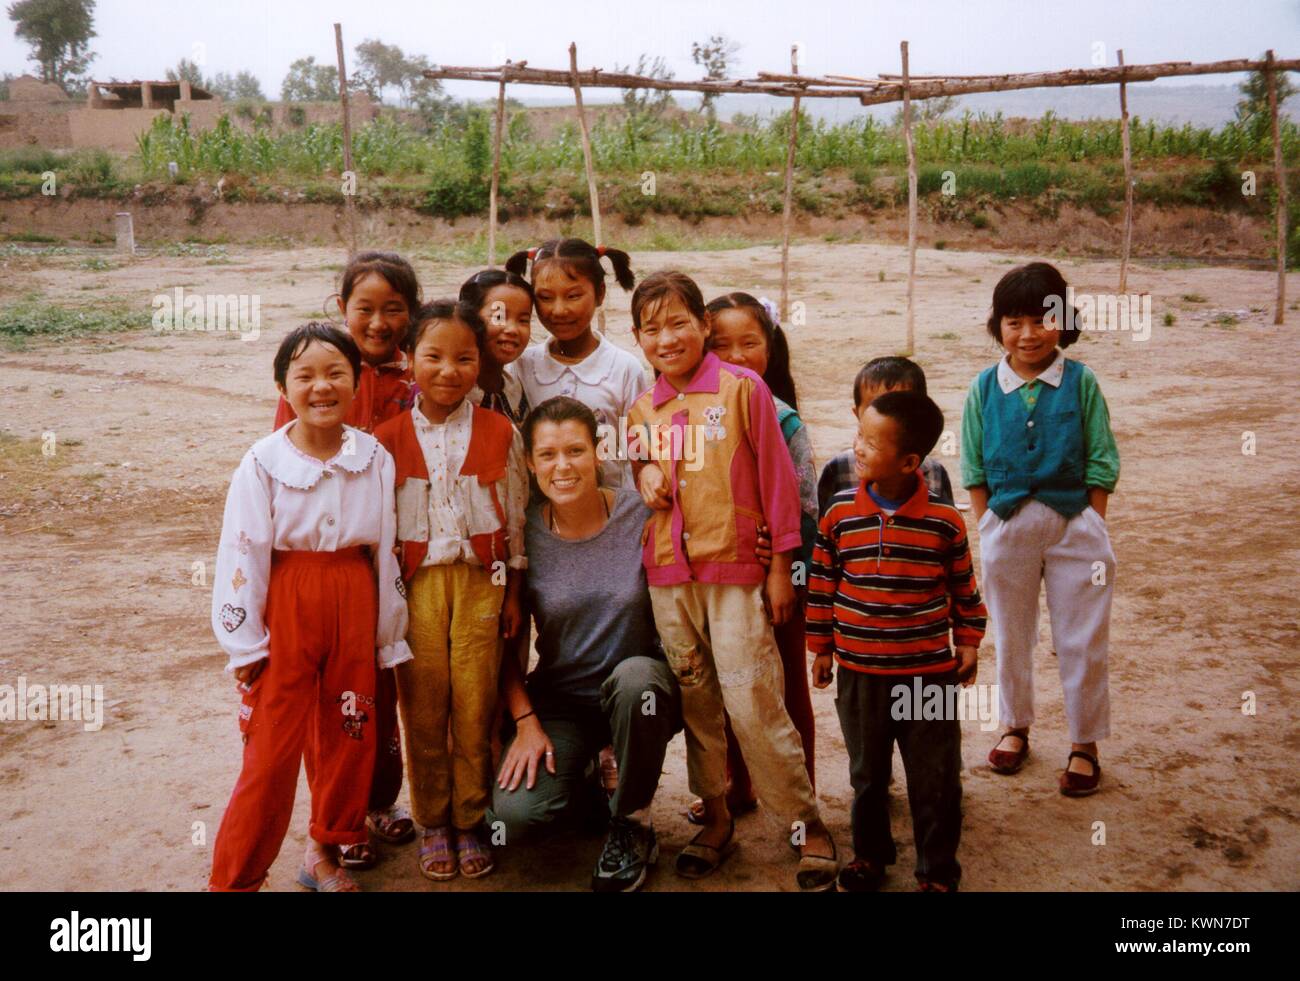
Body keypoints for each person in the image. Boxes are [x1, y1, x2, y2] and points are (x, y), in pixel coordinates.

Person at [628, 270, 838, 892]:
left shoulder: (745, 391)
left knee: (753, 699)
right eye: (650, 328)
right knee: (698, 700)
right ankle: (715, 816)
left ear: (701, 327)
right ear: (637, 338)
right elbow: (638, 463)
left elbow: (778, 485)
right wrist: (642, 471)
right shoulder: (644, 407)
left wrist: (779, 570)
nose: (666, 338)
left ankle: (806, 823)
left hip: (737, 572)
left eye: (678, 323)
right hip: (670, 578)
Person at [209, 322, 410, 892]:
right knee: (271, 752)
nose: (321, 387)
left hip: (354, 596)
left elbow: (386, 547)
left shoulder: (373, 457)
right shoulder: (263, 461)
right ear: (283, 386)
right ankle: (235, 877)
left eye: (335, 374)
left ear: (355, 382)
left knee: (350, 732)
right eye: (305, 376)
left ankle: (325, 848)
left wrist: (386, 635)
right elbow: (242, 551)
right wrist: (245, 642)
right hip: (287, 602)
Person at [490, 396, 682, 893]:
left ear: (600, 452)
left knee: (636, 680)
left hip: (644, 693)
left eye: (575, 450)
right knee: (514, 819)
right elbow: (505, 644)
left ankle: (632, 824)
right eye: (548, 455)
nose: (563, 466)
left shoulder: (642, 512)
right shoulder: (523, 535)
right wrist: (525, 722)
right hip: (564, 698)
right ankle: (588, 786)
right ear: (529, 463)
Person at [271, 251, 422, 869]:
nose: (380, 322)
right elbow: (285, 469)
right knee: (329, 704)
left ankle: (378, 800)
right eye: (366, 308)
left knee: (378, 694)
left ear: (411, 313)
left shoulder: (419, 376)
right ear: (342, 309)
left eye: (394, 309)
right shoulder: (320, 376)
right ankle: (335, 822)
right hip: (331, 571)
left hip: (399, 560)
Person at [374, 299, 529, 880]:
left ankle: (470, 817)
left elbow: (514, 518)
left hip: (482, 583)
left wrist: (513, 590)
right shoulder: (385, 440)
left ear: (479, 363)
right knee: (423, 704)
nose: (448, 370)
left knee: (475, 702)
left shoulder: (499, 431)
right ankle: (432, 818)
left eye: (464, 358)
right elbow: (380, 528)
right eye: (433, 356)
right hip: (416, 588)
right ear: (408, 360)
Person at [809, 390, 987, 892]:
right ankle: (870, 856)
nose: (858, 448)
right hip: (860, 673)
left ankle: (937, 871)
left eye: (871, 442)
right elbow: (823, 581)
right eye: (858, 436)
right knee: (867, 775)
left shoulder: (944, 521)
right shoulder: (839, 514)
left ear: (910, 461)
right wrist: (821, 646)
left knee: (935, 778)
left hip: (928, 674)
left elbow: (963, 587)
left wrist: (969, 640)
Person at [961, 261, 1119, 796]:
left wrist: (1092, 518)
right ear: (997, 325)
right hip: (1006, 527)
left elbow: (1100, 455)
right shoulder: (984, 387)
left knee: (1082, 637)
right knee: (1010, 634)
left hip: (1076, 525)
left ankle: (1084, 742)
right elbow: (974, 465)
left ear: (1062, 320)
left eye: (1041, 319)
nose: (1028, 334)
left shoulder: (1081, 382)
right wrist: (987, 522)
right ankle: (1015, 725)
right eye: (1013, 321)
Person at [683, 291, 816, 825]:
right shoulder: (692, 410)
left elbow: (805, 505)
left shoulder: (782, 418)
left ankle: (803, 800)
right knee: (727, 683)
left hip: (779, 575)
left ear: (772, 348)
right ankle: (738, 787)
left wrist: (781, 564)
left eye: (750, 343)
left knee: (785, 687)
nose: (736, 356)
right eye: (722, 344)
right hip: (718, 574)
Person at [506, 238, 646, 489]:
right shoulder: (521, 366)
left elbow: (637, 456)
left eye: (573, 296)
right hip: (540, 517)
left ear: (600, 293)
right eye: (546, 298)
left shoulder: (625, 368)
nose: (559, 310)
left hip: (611, 513)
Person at [816, 357, 954, 516]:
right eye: (876, 407)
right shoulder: (839, 469)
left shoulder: (934, 473)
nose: (886, 417)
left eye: (900, 408)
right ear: (857, 413)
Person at [460, 268, 534, 428]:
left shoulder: (514, 390)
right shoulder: (453, 389)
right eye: (499, 317)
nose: (513, 329)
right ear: (469, 318)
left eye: (523, 320)